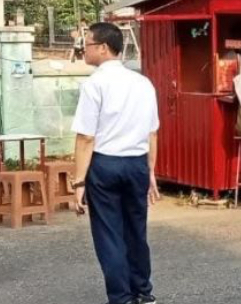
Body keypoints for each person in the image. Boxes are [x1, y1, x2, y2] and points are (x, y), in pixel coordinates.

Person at [72, 22, 161, 304]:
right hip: (136, 164)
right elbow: (152, 132)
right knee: (136, 231)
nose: (82, 49)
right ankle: (143, 293)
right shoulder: (142, 82)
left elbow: (86, 137)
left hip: (105, 166)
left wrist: (78, 181)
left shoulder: (95, 84)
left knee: (109, 234)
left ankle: (121, 298)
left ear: (102, 48)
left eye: (86, 44)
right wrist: (151, 172)